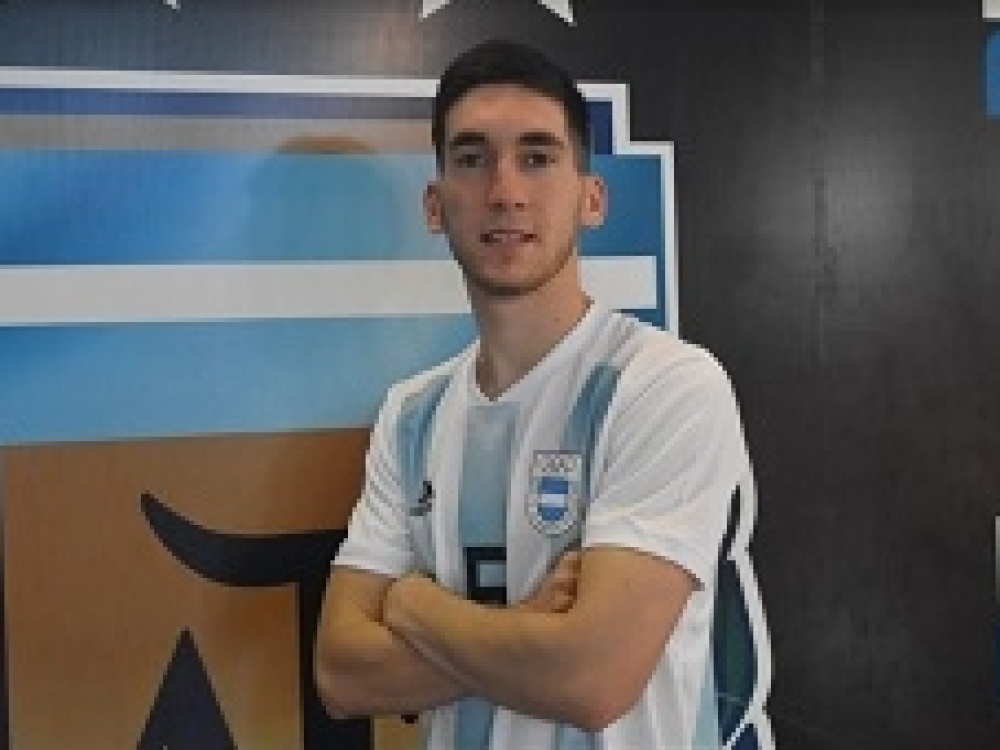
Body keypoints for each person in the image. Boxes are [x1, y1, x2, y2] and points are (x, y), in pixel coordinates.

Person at [314, 39, 752, 749]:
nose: (505, 191)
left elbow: (591, 680)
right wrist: (526, 629)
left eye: (538, 157)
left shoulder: (665, 384)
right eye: (471, 158)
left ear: (592, 199)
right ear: (435, 205)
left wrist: (415, 604)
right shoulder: (411, 415)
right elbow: (341, 673)